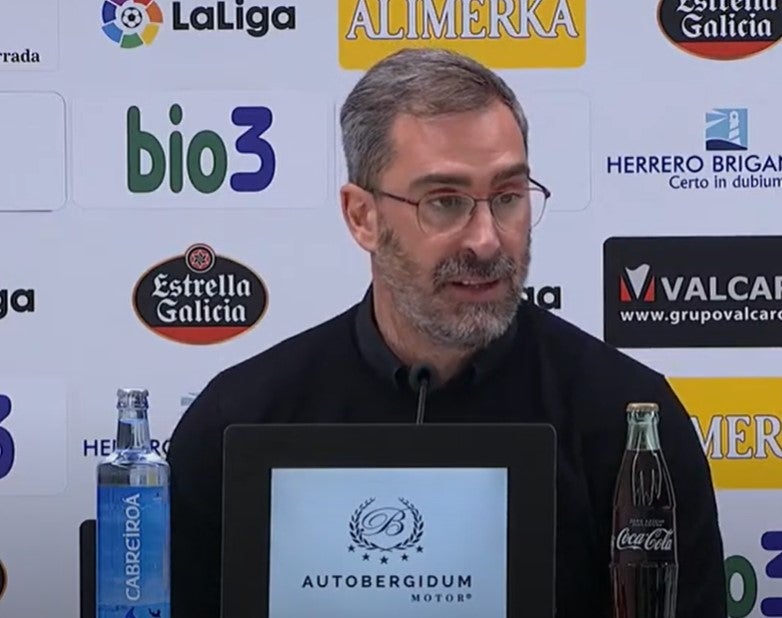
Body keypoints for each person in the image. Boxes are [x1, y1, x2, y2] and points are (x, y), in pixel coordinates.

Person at [167, 47, 726, 617]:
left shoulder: (629, 420)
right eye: (445, 202)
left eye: (507, 197)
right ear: (363, 216)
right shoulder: (239, 420)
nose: (486, 240)